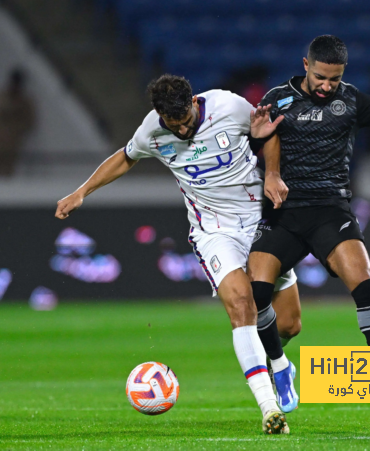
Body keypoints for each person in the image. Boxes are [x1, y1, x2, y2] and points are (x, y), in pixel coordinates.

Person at [56, 74, 299, 434]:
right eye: (175, 125)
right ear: (160, 115)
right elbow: (125, 157)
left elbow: (267, 133)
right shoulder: (152, 131)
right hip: (213, 231)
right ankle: (267, 407)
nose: (182, 130)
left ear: (194, 103)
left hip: (258, 222)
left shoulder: (228, 106)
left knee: (287, 324)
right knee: (241, 305)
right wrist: (82, 192)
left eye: (186, 121)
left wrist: (272, 174)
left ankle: (280, 362)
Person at [248, 35, 370, 416]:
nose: (326, 86)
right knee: (255, 294)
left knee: (366, 284)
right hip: (283, 213)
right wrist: (256, 142)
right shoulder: (277, 98)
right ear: (306, 65)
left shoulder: (352, 100)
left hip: (331, 211)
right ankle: (281, 369)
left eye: (333, 79)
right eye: (320, 77)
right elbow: (255, 146)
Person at [0, 68, 35, 176]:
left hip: (11, 143)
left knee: (6, 173)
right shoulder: (3, 96)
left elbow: (29, 122)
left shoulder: (25, 102)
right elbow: (2, 110)